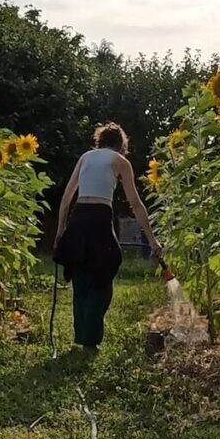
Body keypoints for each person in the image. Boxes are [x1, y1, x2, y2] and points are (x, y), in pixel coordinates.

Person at [53, 122, 162, 350]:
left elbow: (66, 199)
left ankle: (82, 337)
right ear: (121, 144)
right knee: (103, 273)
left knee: (80, 275)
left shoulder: (85, 157)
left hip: (79, 216)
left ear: (99, 140)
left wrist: (61, 231)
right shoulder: (120, 162)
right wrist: (152, 240)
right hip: (100, 219)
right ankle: (90, 340)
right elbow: (136, 204)